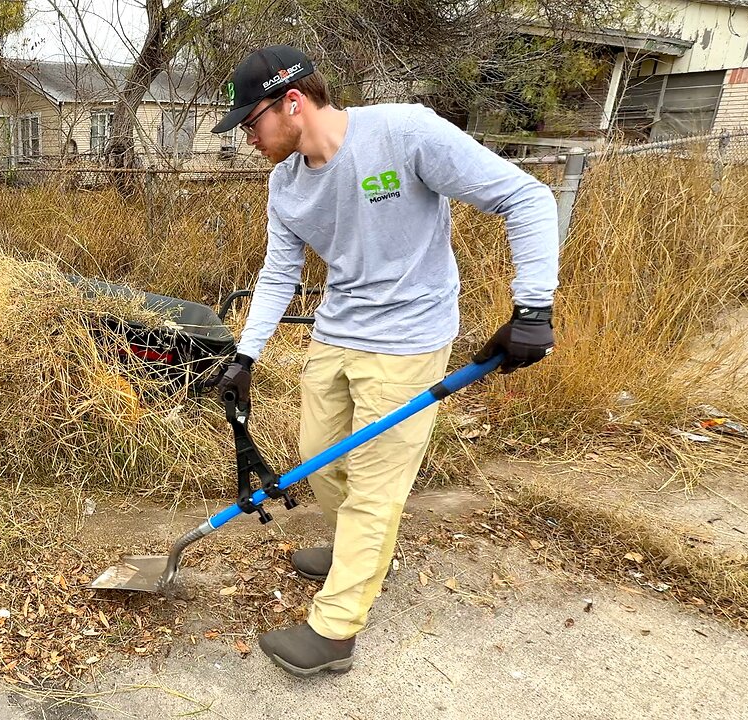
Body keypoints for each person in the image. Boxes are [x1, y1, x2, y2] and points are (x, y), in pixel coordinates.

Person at [205, 45, 559, 677]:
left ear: (293, 103)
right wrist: (246, 352)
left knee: (374, 483)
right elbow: (280, 270)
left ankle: (334, 631)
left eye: (251, 122)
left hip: (409, 341)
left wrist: (532, 307)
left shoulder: (405, 133)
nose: (248, 139)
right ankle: (359, 549)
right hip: (337, 331)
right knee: (320, 458)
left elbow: (525, 199)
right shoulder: (284, 184)